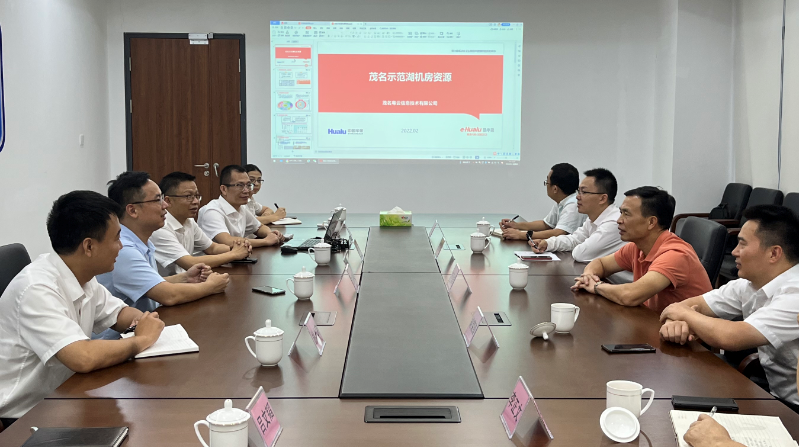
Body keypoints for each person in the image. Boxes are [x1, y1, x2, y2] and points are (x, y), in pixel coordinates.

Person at [0, 191, 165, 425]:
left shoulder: (83, 276)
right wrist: (140, 339)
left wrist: (142, 321)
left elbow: (119, 314)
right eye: (117, 238)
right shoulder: (36, 288)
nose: (121, 247)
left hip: (65, 395)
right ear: (89, 247)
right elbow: (82, 358)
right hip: (23, 414)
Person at [660, 205, 799, 408]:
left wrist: (680, 312)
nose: (734, 252)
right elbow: (693, 305)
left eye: (742, 244)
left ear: (774, 253)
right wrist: (676, 320)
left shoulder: (794, 294)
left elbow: (731, 337)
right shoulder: (750, 283)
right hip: (771, 392)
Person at [97, 171, 230, 318]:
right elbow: (169, 296)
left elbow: (149, 284)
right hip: (121, 337)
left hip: (146, 324)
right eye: (158, 200)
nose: (165, 205)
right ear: (133, 210)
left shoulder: (141, 241)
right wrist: (211, 286)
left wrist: (185, 277)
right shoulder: (124, 250)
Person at [572, 186, 711, 313]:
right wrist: (588, 275)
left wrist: (596, 287)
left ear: (651, 222)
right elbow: (600, 264)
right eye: (620, 213)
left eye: (626, 214)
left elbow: (630, 296)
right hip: (655, 322)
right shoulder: (636, 246)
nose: (619, 220)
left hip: (687, 336)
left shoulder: (674, 255)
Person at [150, 172, 251, 276]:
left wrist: (237, 248)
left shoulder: (189, 221)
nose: (196, 202)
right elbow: (190, 263)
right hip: (166, 286)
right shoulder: (160, 227)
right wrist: (234, 254)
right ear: (168, 201)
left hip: (187, 280)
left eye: (197, 196)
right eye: (188, 196)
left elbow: (212, 248)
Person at [529, 168, 626, 263]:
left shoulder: (614, 223)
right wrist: (548, 244)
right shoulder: (593, 218)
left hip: (616, 279)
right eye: (579, 191)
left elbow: (581, 254)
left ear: (602, 198)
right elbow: (574, 239)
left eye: (584, 192)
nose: (577, 197)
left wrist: (578, 244)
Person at [198, 165, 285, 247]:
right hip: (210, 261)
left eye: (248, 185)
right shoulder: (211, 211)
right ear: (224, 189)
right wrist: (266, 241)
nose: (246, 190)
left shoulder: (241, 207)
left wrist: (270, 234)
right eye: (240, 185)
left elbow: (259, 227)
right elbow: (227, 241)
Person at [499, 163, 586, 240]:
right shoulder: (563, 201)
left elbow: (559, 233)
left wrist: (521, 235)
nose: (546, 186)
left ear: (555, 188)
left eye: (547, 182)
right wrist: (517, 225)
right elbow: (546, 224)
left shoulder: (574, 204)